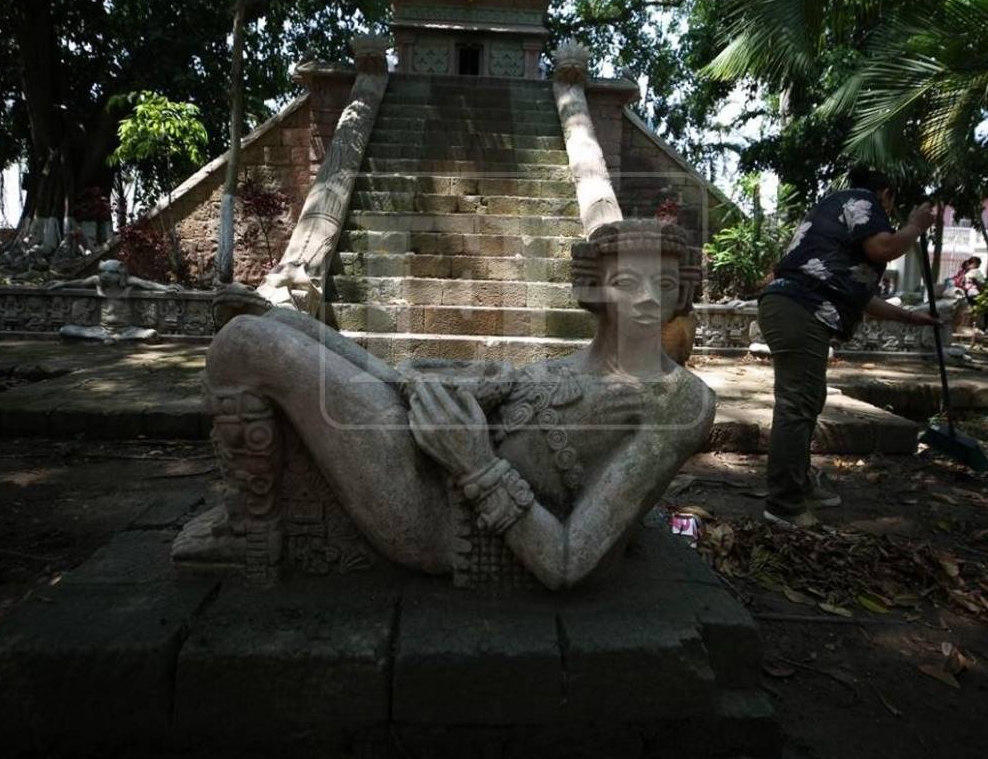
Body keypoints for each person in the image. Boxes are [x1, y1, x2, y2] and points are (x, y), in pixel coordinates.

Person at [172, 220, 717, 589]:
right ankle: (250, 512)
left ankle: (253, 525)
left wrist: (476, 464)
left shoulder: (679, 400)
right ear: (593, 290)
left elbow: (569, 562)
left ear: (681, 293)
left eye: (663, 284)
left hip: (442, 511)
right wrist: (448, 388)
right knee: (275, 322)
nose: (647, 299)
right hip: (430, 446)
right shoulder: (584, 362)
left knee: (244, 342)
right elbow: (493, 407)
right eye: (628, 282)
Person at [758, 167, 939, 528]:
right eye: (892, 206)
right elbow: (883, 246)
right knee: (797, 404)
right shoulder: (864, 201)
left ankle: (800, 483)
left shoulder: (839, 210)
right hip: (800, 308)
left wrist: (908, 318)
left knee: (807, 400)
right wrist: (916, 226)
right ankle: (784, 505)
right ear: (885, 194)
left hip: (797, 306)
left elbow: (860, 296)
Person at [46, 259, 178, 341]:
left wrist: (166, 288)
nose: (105, 275)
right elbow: (80, 282)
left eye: (109, 273)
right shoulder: (97, 281)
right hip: (102, 330)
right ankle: (109, 339)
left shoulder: (128, 282)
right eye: (103, 272)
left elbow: (148, 284)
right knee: (65, 330)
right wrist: (62, 284)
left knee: (151, 334)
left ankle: (115, 339)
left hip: (126, 330)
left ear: (119, 273)